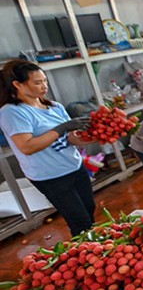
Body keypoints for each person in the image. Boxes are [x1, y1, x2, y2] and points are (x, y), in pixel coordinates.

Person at [0, 60, 96, 236]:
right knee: (80, 221)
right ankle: (88, 257)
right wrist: (61, 128)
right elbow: (27, 147)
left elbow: (71, 139)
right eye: (37, 82)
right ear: (17, 85)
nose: (44, 86)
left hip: (74, 167)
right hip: (50, 176)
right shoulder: (12, 112)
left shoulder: (54, 106)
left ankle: (96, 248)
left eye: (45, 81)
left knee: (89, 209)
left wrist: (94, 137)